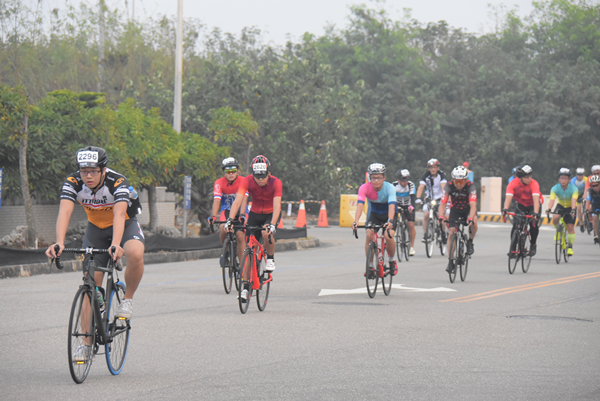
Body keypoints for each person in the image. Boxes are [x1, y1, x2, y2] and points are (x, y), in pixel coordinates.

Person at [45, 146, 145, 360]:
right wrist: (59, 243)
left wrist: (117, 245)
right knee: (90, 285)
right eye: (83, 171)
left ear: (103, 169)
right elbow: (65, 211)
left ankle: (127, 298)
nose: (88, 176)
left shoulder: (117, 182)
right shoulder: (73, 183)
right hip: (95, 229)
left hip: (124, 225)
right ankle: (86, 344)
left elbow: (119, 215)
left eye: (93, 171)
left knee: (135, 252)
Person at [227, 155, 282, 302]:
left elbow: (277, 206)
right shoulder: (247, 181)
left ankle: (270, 258)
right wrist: (230, 220)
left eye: (263, 176)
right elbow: (238, 201)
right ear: (253, 174)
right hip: (255, 214)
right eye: (257, 176)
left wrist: (272, 224)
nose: (260, 179)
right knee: (248, 251)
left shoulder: (276, 183)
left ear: (268, 173)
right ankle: (245, 287)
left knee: (265, 232)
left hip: (271, 214)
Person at [352, 163, 397, 276]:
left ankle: (392, 261)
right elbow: (360, 205)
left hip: (389, 214)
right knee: (369, 235)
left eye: (379, 177)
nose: (376, 181)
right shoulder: (364, 188)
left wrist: (390, 221)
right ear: (369, 177)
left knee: (388, 235)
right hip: (375, 214)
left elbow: (391, 206)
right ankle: (370, 266)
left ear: (384, 177)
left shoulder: (390, 188)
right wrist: (356, 221)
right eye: (373, 177)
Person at [208, 157, 248, 266]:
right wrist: (213, 216)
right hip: (226, 210)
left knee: (240, 235)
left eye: (233, 171)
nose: (231, 174)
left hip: (240, 211)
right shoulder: (219, 182)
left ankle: (242, 264)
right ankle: (226, 251)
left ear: (238, 171)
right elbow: (216, 201)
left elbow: (244, 199)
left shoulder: (243, 181)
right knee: (223, 228)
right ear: (223, 172)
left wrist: (243, 214)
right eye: (227, 171)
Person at [438, 165, 478, 273]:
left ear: (465, 180)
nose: (459, 184)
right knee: (451, 233)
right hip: (455, 209)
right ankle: (450, 260)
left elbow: (473, 205)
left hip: (468, 209)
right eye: (456, 182)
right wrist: (441, 216)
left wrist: (470, 218)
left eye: (461, 182)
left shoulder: (471, 187)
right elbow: (442, 204)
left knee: (474, 222)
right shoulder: (449, 186)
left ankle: (470, 241)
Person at [502, 165, 541, 258]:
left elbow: (536, 200)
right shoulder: (512, 184)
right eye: (526, 177)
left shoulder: (534, 183)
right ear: (520, 178)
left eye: (530, 176)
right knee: (516, 224)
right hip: (521, 205)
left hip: (533, 205)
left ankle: (533, 244)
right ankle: (513, 248)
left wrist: (535, 213)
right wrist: (505, 209)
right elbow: (508, 198)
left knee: (533, 223)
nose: (529, 179)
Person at [546, 168, 578, 256]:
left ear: (569, 180)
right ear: (558, 179)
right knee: (555, 217)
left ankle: (570, 246)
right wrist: (549, 209)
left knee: (570, 227)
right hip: (560, 206)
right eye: (561, 178)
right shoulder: (555, 188)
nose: (563, 180)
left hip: (570, 207)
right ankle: (559, 231)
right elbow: (552, 200)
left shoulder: (574, 189)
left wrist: (573, 210)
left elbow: (573, 200)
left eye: (565, 178)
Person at [415, 158, 448, 242]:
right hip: (429, 199)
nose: (433, 169)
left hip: (440, 198)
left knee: (441, 216)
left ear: (438, 168)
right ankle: (426, 235)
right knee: (426, 215)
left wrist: (445, 198)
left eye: (434, 167)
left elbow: (443, 187)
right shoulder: (425, 176)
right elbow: (421, 187)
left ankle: (443, 233)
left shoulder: (441, 175)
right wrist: (418, 198)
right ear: (428, 168)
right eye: (431, 167)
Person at [392, 169, 416, 256]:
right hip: (397, 204)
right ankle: (392, 234)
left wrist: (411, 206)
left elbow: (412, 197)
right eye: (403, 180)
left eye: (407, 179)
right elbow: (391, 197)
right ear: (398, 180)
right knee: (392, 219)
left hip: (408, 205)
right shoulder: (394, 185)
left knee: (411, 225)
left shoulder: (411, 185)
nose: (405, 182)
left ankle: (412, 247)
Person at [570, 168, 588, 232]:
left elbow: (587, 188)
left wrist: (585, 196)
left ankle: (587, 217)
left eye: (581, 175)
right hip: (576, 195)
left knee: (586, 205)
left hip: (585, 194)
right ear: (576, 174)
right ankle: (581, 223)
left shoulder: (586, 179)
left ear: (583, 175)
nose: (579, 176)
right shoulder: (573, 180)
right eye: (578, 174)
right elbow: (572, 190)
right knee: (579, 208)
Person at [585, 174, 600, 243]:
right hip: (595, 205)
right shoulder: (589, 191)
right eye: (592, 186)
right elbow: (588, 200)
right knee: (595, 218)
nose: (594, 187)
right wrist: (586, 209)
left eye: (596, 185)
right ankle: (596, 235)